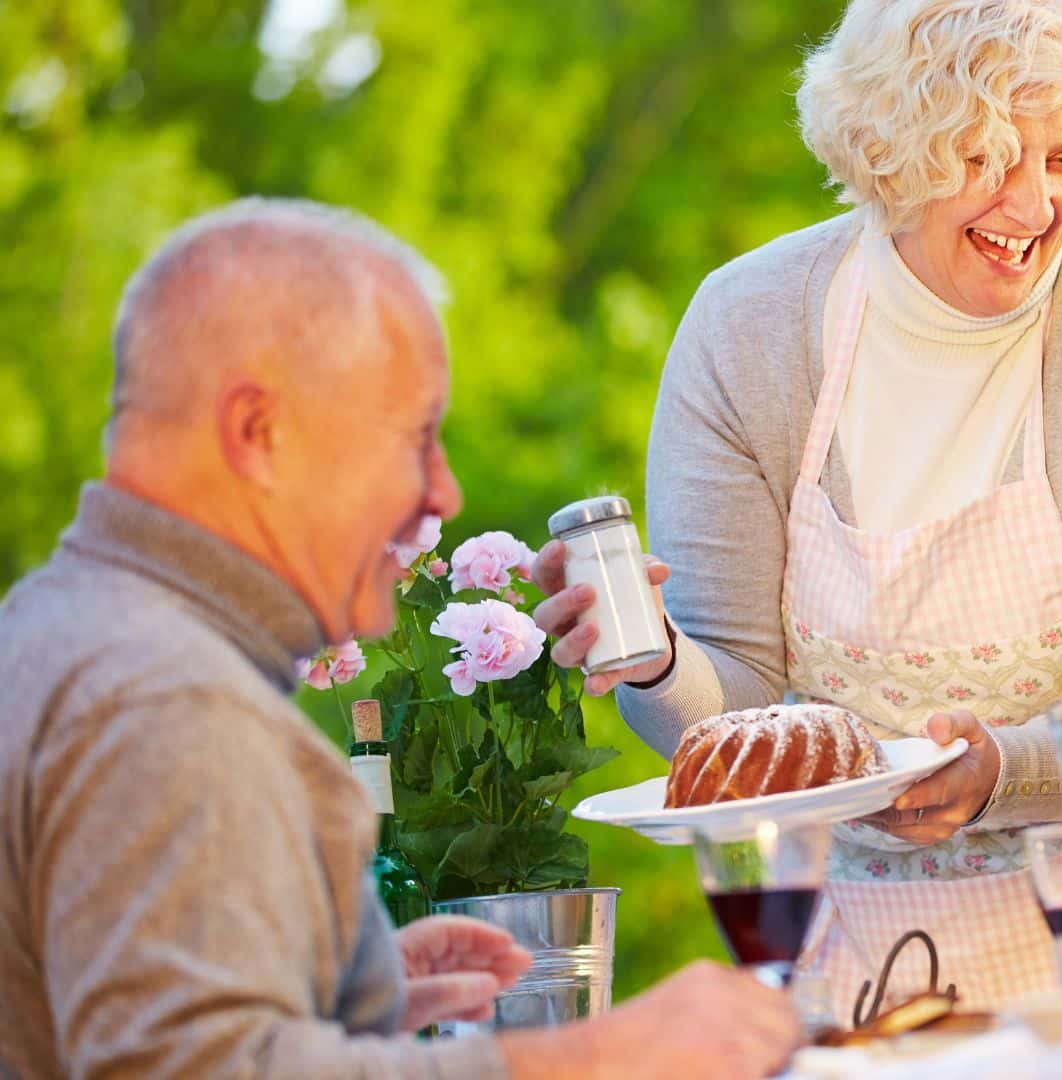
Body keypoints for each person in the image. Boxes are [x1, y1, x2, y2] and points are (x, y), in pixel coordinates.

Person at [0, 200, 800, 1079]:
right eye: (417, 436)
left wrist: (328, 1004)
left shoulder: (51, 630)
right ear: (259, 434)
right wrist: (586, 1059)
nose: (444, 494)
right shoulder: (169, 698)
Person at [533, 0, 1062, 1011]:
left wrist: (995, 774)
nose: (1033, 205)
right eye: (986, 158)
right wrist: (658, 660)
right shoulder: (747, 328)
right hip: (836, 954)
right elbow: (735, 718)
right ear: (890, 148)